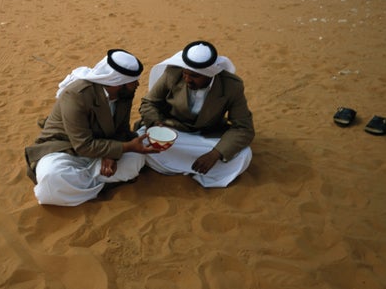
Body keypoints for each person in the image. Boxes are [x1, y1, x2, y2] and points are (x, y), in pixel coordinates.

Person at [25, 49, 160, 206]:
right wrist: (125, 147)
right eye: (133, 81)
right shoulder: (76, 95)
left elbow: (121, 130)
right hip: (64, 148)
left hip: (99, 150)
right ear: (117, 82)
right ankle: (98, 184)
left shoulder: (124, 95)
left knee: (137, 160)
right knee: (52, 176)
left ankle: (80, 187)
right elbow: (82, 145)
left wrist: (112, 155)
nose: (137, 85)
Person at [137, 40, 254, 187]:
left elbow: (243, 128)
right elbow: (149, 103)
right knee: (140, 141)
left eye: (194, 76)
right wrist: (156, 124)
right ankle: (191, 167)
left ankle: (192, 168)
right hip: (173, 132)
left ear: (210, 74)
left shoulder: (231, 86)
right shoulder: (173, 73)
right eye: (185, 73)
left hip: (206, 137)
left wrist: (215, 154)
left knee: (244, 155)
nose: (187, 79)